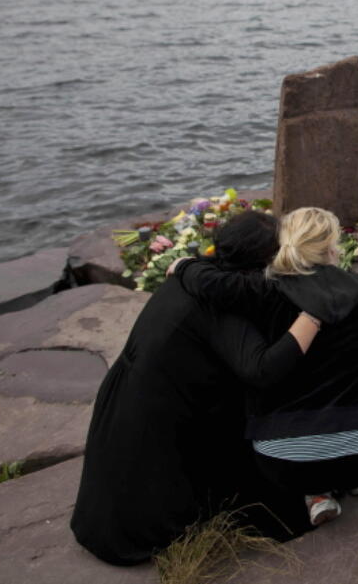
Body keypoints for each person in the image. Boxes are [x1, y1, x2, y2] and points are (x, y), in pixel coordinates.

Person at [71, 210, 309, 566]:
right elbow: (260, 370)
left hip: (128, 401)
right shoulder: (221, 300)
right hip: (161, 423)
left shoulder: (197, 274)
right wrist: (313, 318)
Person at [173, 206, 358, 527]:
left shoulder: (265, 291)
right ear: (330, 247)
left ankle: (316, 494)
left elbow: (213, 283)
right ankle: (357, 476)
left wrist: (184, 265)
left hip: (288, 462)